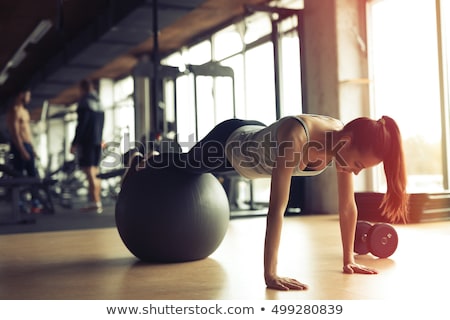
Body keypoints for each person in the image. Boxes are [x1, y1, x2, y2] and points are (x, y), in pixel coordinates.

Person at [123, 114, 408, 291]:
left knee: (190, 165)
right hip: (229, 145)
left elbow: (347, 206)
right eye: (358, 164)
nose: (355, 171)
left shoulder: (341, 140)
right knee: (187, 165)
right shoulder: (295, 139)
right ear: (346, 141)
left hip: (256, 141)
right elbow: (276, 209)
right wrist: (270, 273)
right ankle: (145, 158)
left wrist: (349, 259)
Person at [70, 79, 105, 213]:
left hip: (87, 142)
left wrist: (75, 143)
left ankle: (95, 202)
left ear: (83, 89)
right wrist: (100, 138)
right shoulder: (99, 103)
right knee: (95, 172)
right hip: (97, 141)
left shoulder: (84, 102)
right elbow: (101, 124)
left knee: (90, 173)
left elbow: (81, 125)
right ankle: (95, 201)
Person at [6, 89, 43, 213]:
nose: (29, 98)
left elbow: (27, 133)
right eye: (28, 95)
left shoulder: (25, 112)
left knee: (33, 175)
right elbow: (15, 134)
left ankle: (35, 203)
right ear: (21, 95)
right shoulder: (15, 111)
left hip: (27, 145)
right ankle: (19, 203)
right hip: (18, 147)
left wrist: (32, 150)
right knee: (19, 176)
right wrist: (22, 151)